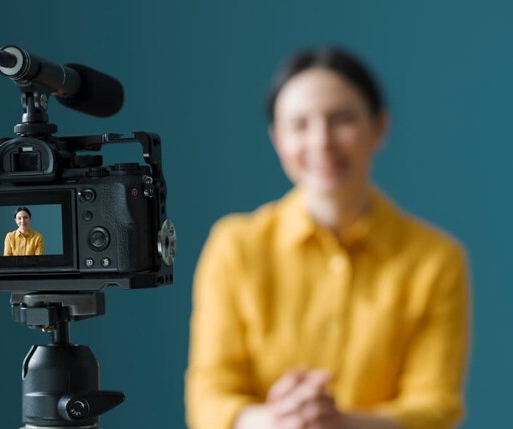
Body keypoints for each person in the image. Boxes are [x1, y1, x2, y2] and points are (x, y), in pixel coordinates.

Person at [185, 47, 471, 429]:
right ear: (277, 139)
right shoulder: (235, 246)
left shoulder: (436, 258)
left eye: (342, 119)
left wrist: (341, 423)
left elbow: (435, 405)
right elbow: (209, 396)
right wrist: (281, 420)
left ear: (379, 127)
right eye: (299, 124)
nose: (321, 142)